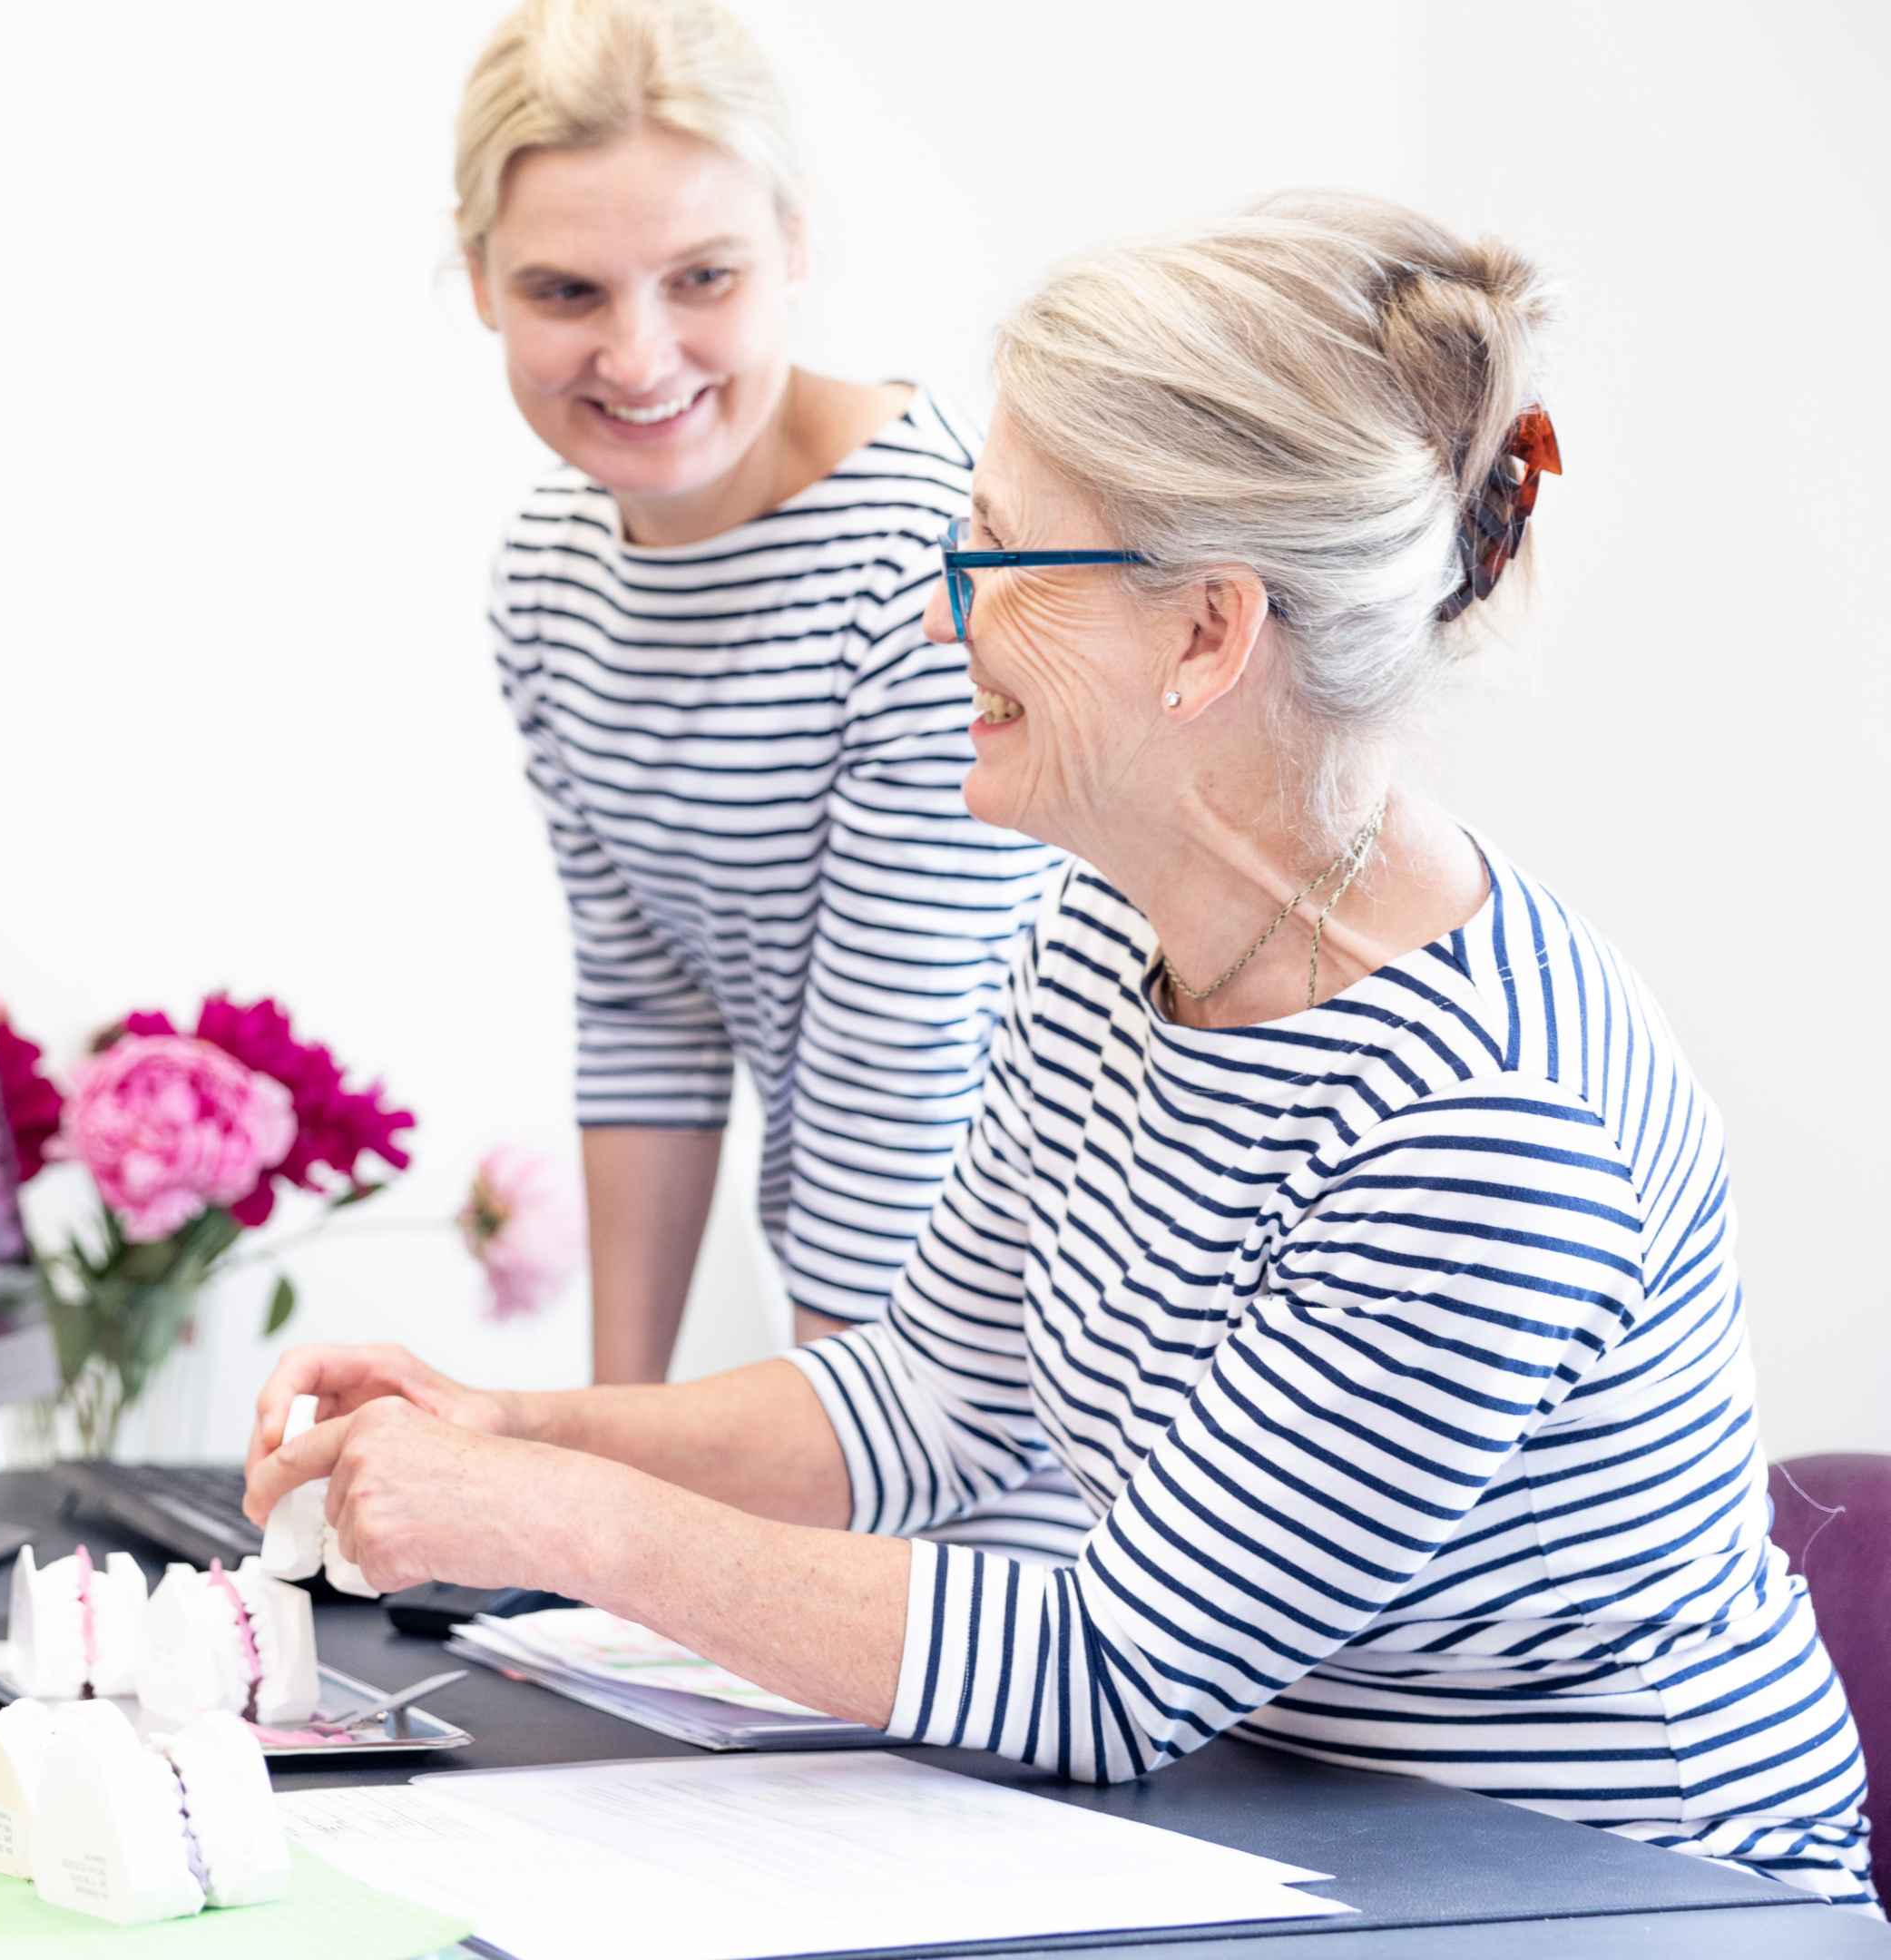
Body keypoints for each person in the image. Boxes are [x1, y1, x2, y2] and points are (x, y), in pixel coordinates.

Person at [254, 191, 1876, 1908]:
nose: (946, 618)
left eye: (1002, 562)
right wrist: (513, 1431)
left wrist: (555, 1527)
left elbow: (1110, 1669)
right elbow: (931, 1404)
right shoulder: (1112, 935)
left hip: (1620, 1898)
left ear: (1206, 633)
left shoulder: (1490, 1117)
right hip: (1298, 1839)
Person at [457, 0, 1083, 1558]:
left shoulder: (934, 564)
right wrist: (594, 1481)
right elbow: (650, 1007)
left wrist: (799, 1548)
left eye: (704, 279)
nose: (637, 354)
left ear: (796, 248)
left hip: (1022, 1418)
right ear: (480, 282)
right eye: (565, 290)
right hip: (851, 1403)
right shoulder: (550, 573)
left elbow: (902, 1075)